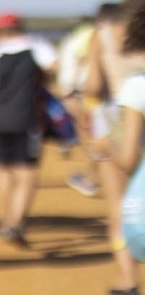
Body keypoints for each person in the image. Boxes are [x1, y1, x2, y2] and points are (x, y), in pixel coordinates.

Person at [0, 12, 58, 247]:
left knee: (4, 171)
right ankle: (17, 224)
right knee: (27, 172)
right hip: (28, 118)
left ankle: (5, 224)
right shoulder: (36, 45)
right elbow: (54, 66)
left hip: (0, 119)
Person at [95, 0, 145, 295]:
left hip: (119, 117)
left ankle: (129, 281)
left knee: (120, 210)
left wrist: (105, 147)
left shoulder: (104, 34)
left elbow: (91, 85)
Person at [55, 15, 99, 196]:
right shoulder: (93, 34)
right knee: (92, 133)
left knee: (91, 135)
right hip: (87, 92)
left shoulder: (82, 37)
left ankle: (90, 179)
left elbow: (83, 59)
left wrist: (69, 89)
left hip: (81, 92)